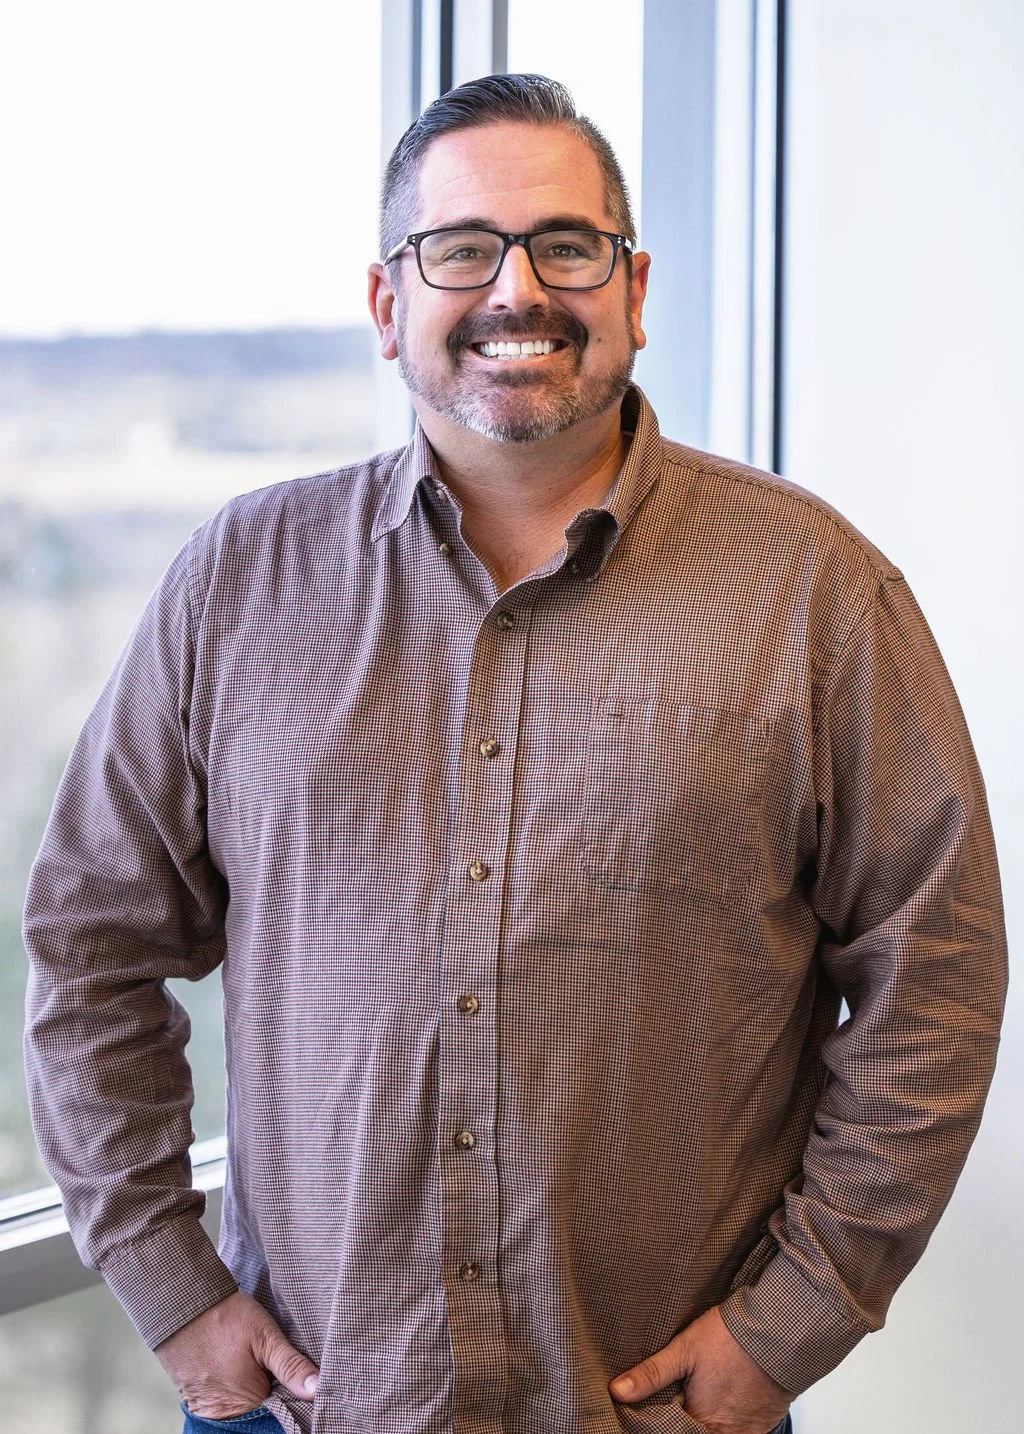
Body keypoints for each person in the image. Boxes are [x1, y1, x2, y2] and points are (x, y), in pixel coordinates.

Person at [23, 74, 1006, 1434]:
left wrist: (795, 1317)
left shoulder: (813, 590)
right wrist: (168, 1282)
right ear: (389, 305)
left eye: (567, 245)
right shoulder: (237, 582)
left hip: (657, 1413)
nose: (517, 288)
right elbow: (93, 941)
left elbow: (936, 978)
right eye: (461, 249)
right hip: (306, 1408)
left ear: (635, 288)